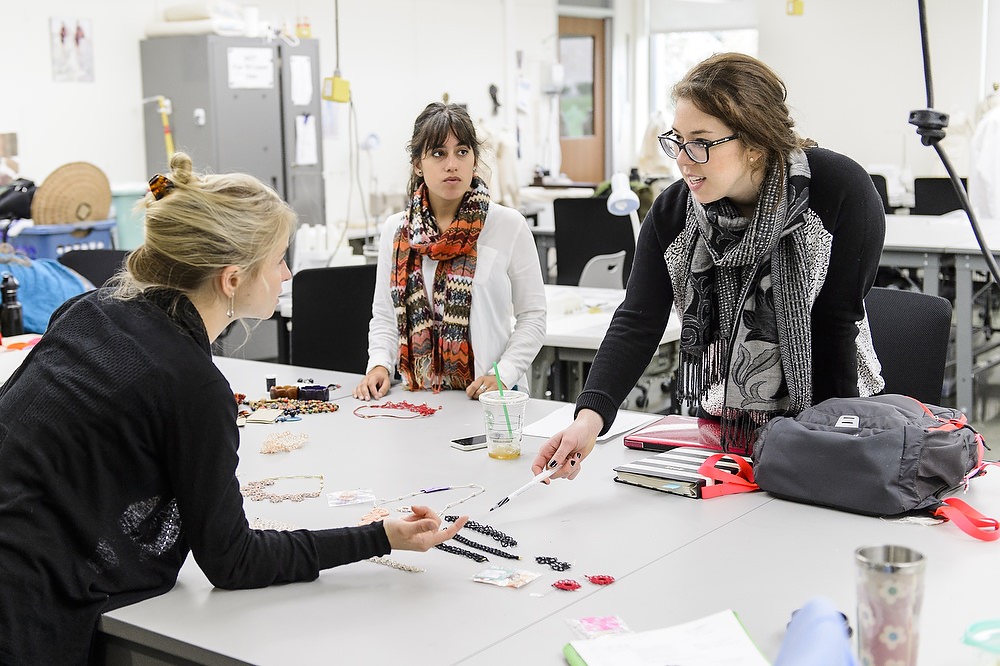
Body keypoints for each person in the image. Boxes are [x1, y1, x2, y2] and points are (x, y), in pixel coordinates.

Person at [0, 152, 466, 664]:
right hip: (27, 608)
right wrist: (379, 537)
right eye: (277, 261)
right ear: (232, 279)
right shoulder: (190, 382)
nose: (287, 274)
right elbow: (233, 560)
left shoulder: (88, 311)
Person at [532, 53, 886, 481]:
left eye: (700, 142)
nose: (682, 159)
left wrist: (827, 451)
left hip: (830, 414)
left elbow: (835, 324)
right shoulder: (674, 212)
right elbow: (637, 320)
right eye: (677, 139)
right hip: (724, 425)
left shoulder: (837, 191)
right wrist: (588, 419)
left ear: (755, 143)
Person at [354, 103, 546, 401]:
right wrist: (379, 363)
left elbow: (533, 316)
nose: (452, 164)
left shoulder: (508, 225)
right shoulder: (397, 230)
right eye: (438, 153)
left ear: (474, 159)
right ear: (418, 164)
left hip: (493, 400)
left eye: (462, 151)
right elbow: (384, 315)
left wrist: (503, 374)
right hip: (418, 398)